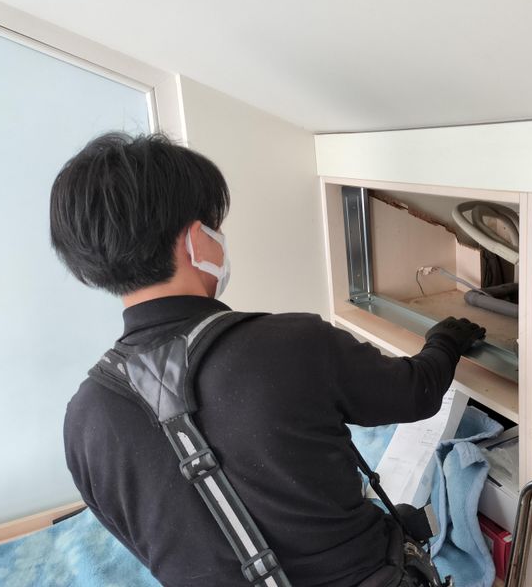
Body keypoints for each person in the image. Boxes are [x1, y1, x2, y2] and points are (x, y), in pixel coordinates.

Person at [52, 132, 486, 587]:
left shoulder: (83, 420)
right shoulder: (290, 345)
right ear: (197, 239)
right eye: (215, 226)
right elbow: (416, 393)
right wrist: (445, 340)